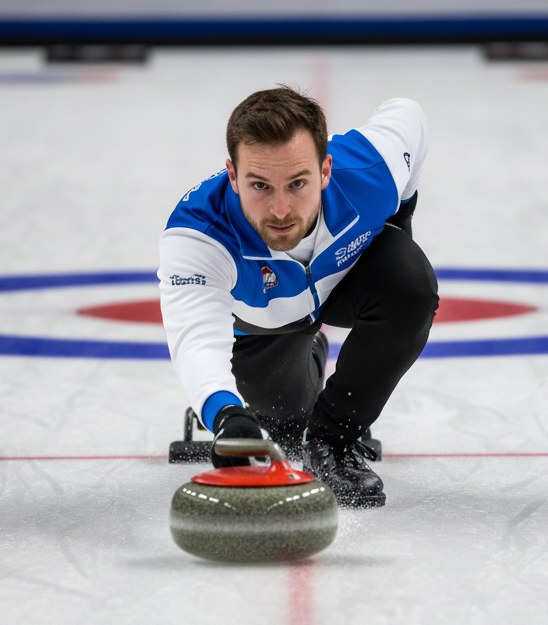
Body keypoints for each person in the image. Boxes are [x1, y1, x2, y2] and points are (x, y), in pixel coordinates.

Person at [158, 87, 437, 507]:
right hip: (265, 320)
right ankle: (307, 358)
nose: (281, 210)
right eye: (260, 185)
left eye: (298, 183)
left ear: (326, 170)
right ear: (232, 176)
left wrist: (399, 220)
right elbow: (195, 338)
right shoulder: (198, 235)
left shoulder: (369, 170)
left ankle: (333, 440)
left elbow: (409, 116)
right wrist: (226, 414)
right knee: (285, 427)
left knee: (408, 282)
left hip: (344, 279)